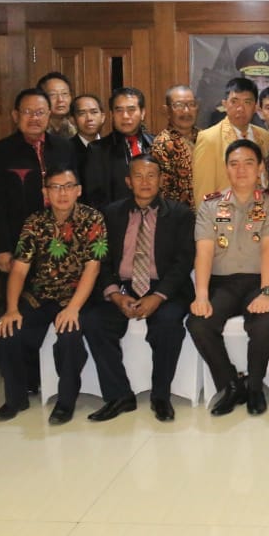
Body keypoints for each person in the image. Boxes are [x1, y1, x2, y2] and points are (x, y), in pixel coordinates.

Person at [80, 156, 194, 423]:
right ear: (128, 182)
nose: (145, 182)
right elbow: (103, 259)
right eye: (139, 176)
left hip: (165, 287)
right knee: (93, 321)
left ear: (161, 180)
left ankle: (161, 395)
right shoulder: (110, 214)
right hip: (123, 286)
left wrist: (158, 296)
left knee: (168, 325)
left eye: (151, 175)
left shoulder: (180, 214)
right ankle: (119, 395)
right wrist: (115, 294)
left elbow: (183, 261)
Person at [0, 166, 107, 425]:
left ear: (78, 190)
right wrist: (11, 308)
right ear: (46, 192)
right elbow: (19, 270)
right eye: (55, 187)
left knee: (68, 335)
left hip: (78, 297)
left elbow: (93, 267)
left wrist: (74, 308)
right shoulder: (35, 222)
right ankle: (15, 398)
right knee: (8, 329)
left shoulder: (93, 219)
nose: (62, 193)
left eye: (68, 187)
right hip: (40, 296)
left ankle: (65, 403)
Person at [187, 139, 269, 417]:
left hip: (260, 280)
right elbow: (204, 251)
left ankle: (255, 386)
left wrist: (267, 292)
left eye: (248, 163)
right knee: (198, 323)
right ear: (226, 169)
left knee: (263, 323)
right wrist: (201, 295)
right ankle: (231, 384)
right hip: (223, 283)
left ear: (260, 167)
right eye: (234, 164)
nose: (241, 170)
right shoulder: (210, 205)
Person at [0, 88, 75, 275]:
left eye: (40, 112)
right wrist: (2, 248)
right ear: (15, 115)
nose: (34, 117)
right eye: (27, 112)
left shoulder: (65, 147)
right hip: (19, 243)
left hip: (63, 239)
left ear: (49, 114)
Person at [193, 78, 269, 204]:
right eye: (234, 102)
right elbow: (203, 194)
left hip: (262, 213)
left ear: (255, 107)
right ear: (225, 104)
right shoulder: (209, 138)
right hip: (226, 215)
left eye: (247, 102)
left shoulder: (265, 136)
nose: (240, 109)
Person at [83, 87, 154, 209]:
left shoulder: (157, 144)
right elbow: (94, 198)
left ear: (142, 113)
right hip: (116, 221)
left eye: (131, 110)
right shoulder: (97, 150)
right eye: (119, 110)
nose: (125, 116)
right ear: (112, 115)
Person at [149, 84, 200, 208]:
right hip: (179, 218)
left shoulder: (205, 137)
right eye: (179, 105)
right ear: (167, 111)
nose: (186, 111)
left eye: (191, 104)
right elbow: (163, 192)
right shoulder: (162, 144)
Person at [69, 94, 105, 175]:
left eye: (94, 112)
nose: (89, 118)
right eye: (82, 113)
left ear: (102, 117)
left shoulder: (112, 147)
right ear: (72, 120)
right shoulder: (65, 150)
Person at [37, 72, 76, 138]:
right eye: (53, 94)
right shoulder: (34, 129)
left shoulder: (79, 129)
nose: (60, 100)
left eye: (64, 93)